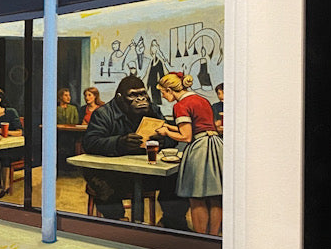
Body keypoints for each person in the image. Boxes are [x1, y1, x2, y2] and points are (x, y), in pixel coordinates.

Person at [81, 75, 182, 223]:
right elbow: (90, 143)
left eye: (142, 94)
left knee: (177, 179)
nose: (141, 99)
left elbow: (173, 137)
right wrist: (119, 143)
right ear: (120, 98)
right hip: (114, 174)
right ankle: (118, 222)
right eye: (133, 95)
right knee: (103, 186)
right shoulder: (104, 114)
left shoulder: (153, 110)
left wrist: (163, 140)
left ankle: (172, 222)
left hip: (146, 172)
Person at [155, 72, 224, 235]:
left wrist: (166, 132)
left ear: (170, 90)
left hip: (200, 149)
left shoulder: (180, 106)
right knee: (215, 197)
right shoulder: (201, 100)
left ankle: (200, 238)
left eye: (163, 93)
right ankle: (213, 237)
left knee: (196, 198)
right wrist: (169, 126)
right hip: (216, 146)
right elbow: (197, 126)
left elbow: (186, 137)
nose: (163, 97)